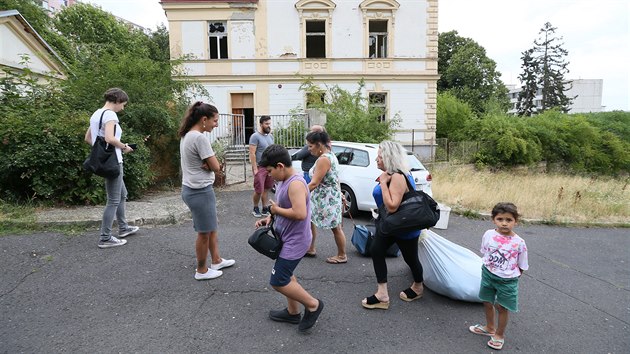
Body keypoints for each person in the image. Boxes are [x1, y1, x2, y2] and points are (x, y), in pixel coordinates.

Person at [255, 144, 324, 333]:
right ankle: (293, 313)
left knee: (278, 281)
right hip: (287, 237)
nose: (269, 175)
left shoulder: (294, 183)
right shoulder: (284, 180)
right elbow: (285, 206)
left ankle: (313, 305)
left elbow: (300, 213)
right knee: (287, 273)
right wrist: (271, 216)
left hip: (296, 241)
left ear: (280, 166)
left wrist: (276, 210)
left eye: (270, 171)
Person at [361, 141, 424, 310]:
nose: (376, 159)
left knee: (411, 258)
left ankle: (418, 286)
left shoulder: (397, 176)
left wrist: (382, 183)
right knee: (376, 250)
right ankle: (382, 294)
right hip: (389, 224)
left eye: (380, 156)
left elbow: (392, 206)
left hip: (403, 227)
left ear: (389, 157)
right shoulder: (390, 173)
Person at [178, 101, 235, 281]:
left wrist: (209, 165)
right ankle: (201, 270)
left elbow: (210, 165)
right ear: (204, 119)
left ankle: (216, 260)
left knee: (211, 227)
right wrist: (212, 165)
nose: (216, 124)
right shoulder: (199, 138)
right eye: (215, 120)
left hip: (193, 189)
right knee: (204, 232)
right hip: (199, 191)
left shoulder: (188, 135)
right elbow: (217, 166)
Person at [468, 202, 529, 351]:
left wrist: (509, 276)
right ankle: (489, 327)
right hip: (488, 274)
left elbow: (522, 266)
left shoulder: (519, 243)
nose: (504, 223)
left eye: (509, 220)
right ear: (493, 220)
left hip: (507, 281)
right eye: (500, 219)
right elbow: (485, 251)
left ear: (516, 221)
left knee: (502, 307)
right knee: (487, 301)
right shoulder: (489, 234)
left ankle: (499, 335)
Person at [84, 88, 139, 249]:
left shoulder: (96, 114)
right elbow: (109, 138)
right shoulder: (110, 115)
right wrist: (124, 147)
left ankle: (123, 228)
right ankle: (105, 237)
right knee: (114, 199)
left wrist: (102, 151)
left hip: (105, 161)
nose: (123, 108)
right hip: (114, 162)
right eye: (123, 104)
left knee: (122, 194)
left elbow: (88, 138)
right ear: (117, 101)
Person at [304, 131, 347, 263]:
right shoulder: (330, 155)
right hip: (325, 196)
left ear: (318, 145)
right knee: (311, 221)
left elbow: (315, 182)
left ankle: (342, 255)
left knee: (336, 227)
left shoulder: (323, 159)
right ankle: (310, 248)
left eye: (310, 146)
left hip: (326, 198)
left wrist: (298, 193)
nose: (309, 149)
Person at [249, 115, 274, 218]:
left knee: (267, 189)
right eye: (266, 124)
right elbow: (252, 153)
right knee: (259, 190)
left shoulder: (270, 136)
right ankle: (255, 207)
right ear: (261, 124)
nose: (268, 126)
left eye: (269, 124)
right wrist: (255, 168)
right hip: (260, 167)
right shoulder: (255, 136)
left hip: (270, 168)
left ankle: (264, 208)